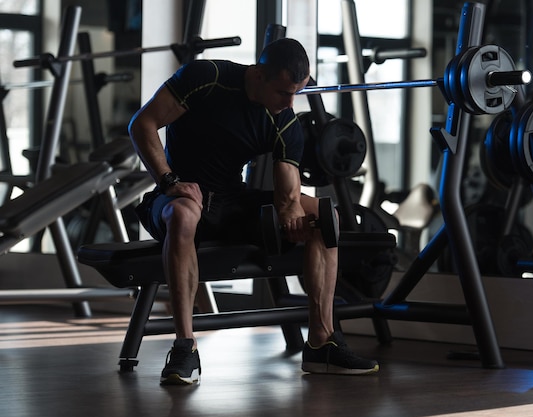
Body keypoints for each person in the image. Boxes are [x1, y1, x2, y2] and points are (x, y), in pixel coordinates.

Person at [128, 38, 379, 385]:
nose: (290, 102)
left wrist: (292, 219)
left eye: (297, 93)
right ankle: (185, 347)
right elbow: (142, 124)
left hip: (231, 204)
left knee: (326, 215)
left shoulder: (285, 122)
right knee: (184, 212)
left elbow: (287, 196)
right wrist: (170, 181)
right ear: (258, 75)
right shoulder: (206, 77)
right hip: (176, 199)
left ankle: (322, 342)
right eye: (282, 92)